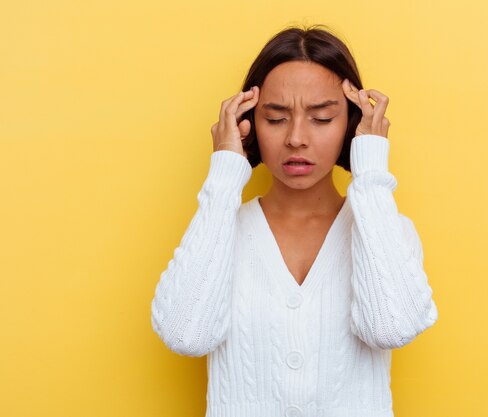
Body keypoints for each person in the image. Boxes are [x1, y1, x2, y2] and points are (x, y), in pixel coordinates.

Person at [151, 24, 438, 417]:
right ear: (247, 124)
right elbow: (186, 335)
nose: (297, 138)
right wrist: (224, 173)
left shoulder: (385, 229)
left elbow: (390, 327)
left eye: (321, 118)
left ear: (352, 124)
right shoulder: (220, 231)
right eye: (275, 118)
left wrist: (370, 173)